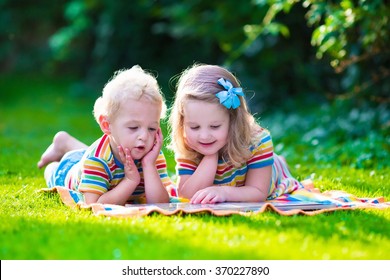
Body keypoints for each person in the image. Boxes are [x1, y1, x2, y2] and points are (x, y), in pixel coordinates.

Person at [169, 63, 309, 204]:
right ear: (182, 121)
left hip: (272, 174)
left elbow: (258, 192)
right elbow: (186, 193)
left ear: (233, 120)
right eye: (194, 127)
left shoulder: (257, 141)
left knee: (276, 166)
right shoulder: (189, 144)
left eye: (215, 126)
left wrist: (223, 192)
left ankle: (279, 162)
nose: (204, 136)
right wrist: (210, 156)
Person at [38, 65, 174, 205]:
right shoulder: (97, 160)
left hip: (90, 159)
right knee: (54, 171)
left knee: (85, 155)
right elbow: (94, 204)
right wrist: (130, 181)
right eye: (133, 127)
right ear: (106, 125)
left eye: (152, 128)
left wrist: (148, 165)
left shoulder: (151, 155)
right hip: (68, 171)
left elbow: (161, 203)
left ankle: (65, 142)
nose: (144, 136)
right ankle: (58, 154)